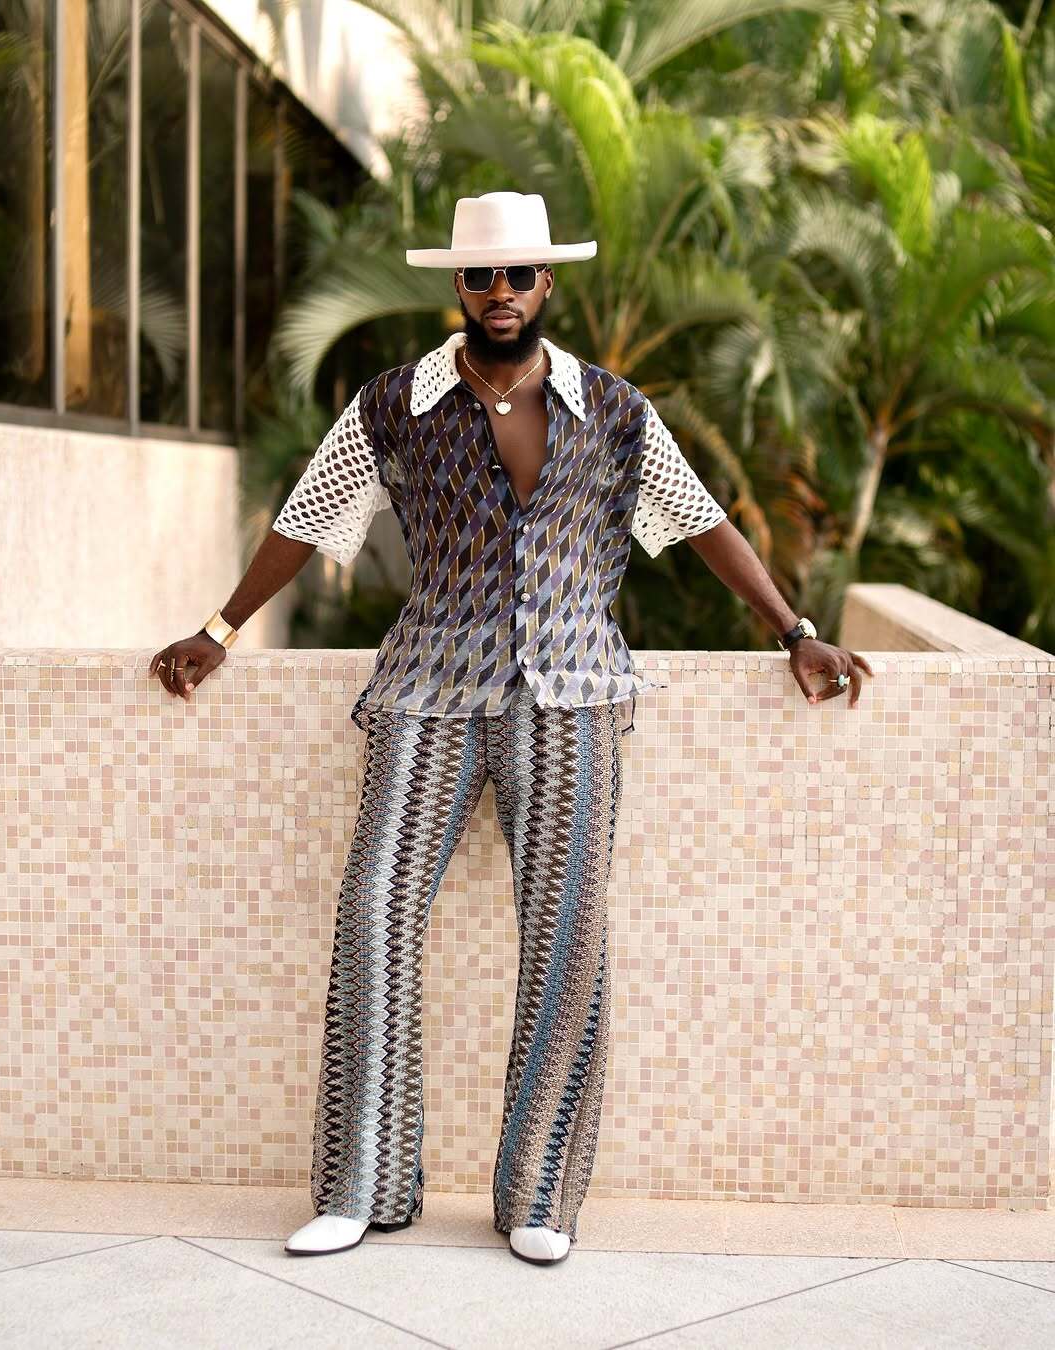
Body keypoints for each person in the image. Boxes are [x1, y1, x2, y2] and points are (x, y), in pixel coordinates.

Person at [150, 191, 873, 1267]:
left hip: (573, 691)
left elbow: (703, 520)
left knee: (566, 935)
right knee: (375, 909)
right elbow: (306, 517)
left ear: (546, 285)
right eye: (482, 275)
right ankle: (361, 1186)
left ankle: (539, 1198)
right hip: (429, 685)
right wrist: (220, 628)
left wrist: (796, 632)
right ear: (459, 285)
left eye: (519, 275)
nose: (501, 292)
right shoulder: (395, 403)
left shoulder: (614, 409)